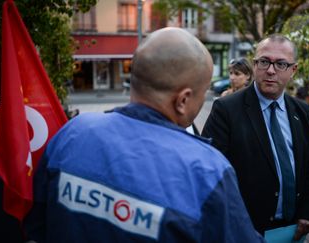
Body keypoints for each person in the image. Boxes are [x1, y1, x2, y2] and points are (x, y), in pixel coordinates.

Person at [23, 27, 265, 243]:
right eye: (203, 94)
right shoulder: (207, 171)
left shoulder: (73, 133)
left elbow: (36, 224)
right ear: (182, 100)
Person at [202, 34, 309, 240]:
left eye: (281, 64)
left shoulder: (301, 111)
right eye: (264, 62)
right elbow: (210, 171)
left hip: (293, 228)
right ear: (255, 64)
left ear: (293, 70)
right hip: (245, 228)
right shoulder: (227, 109)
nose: (271, 70)